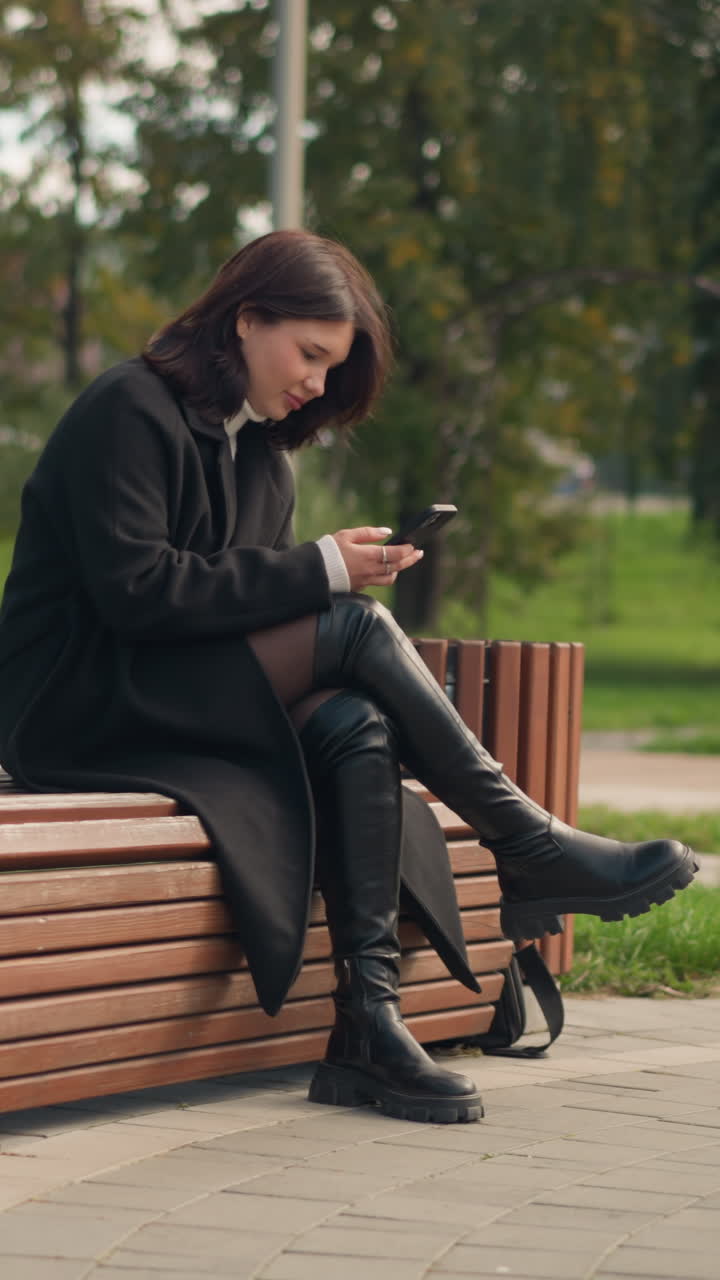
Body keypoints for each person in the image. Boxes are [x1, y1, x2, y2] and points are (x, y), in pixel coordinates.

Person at [0, 230, 697, 1126]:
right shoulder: (127, 408)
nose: (318, 384)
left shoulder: (262, 455)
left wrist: (316, 572)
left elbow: (228, 617)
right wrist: (319, 571)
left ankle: (370, 1025)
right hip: (72, 702)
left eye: (333, 366)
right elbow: (140, 596)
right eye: (311, 354)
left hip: (169, 696)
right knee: (357, 627)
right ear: (246, 319)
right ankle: (523, 840)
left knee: (353, 726)